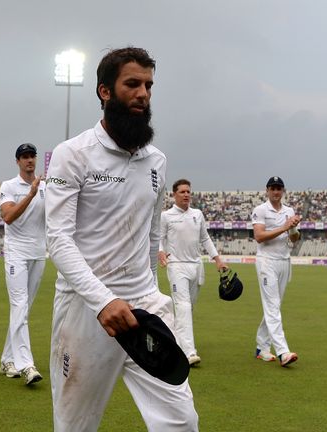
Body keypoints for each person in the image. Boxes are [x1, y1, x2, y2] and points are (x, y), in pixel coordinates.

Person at [45, 47, 198, 431]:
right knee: (75, 426)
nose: (143, 93)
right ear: (105, 92)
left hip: (144, 307)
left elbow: (149, 235)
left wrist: (151, 291)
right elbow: (58, 240)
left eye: (148, 85)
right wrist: (103, 300)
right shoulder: (72, 154)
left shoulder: (156, 161)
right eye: (132, 84)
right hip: (86, 310)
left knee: (181, 423)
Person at [158, 179, 228, 366]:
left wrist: (217, 259)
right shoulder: (166, 216)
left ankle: (174, 340)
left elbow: (205, 239)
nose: (186, 194)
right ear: (174, 194)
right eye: (182, 192)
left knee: (188, 308)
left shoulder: (197, 214)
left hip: (196, 266)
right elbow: (159, 238)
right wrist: (160, 251)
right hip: (177, 265)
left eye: (188, 191)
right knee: (183, 307)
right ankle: (189, 353)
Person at [0, 143, 46, 385]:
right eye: (24, 157)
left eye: (32, 156)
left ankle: (7, 358)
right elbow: (8, 217)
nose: (29, 160)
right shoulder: (9, 186)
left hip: (39, 254)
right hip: (16, 253)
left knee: (23, 310)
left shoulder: (45, 186)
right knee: (19, 305)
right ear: (17, 161)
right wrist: (30, 195)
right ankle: (26, 364)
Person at [251, 176, 301, 367]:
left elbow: (294, 239)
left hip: (284, 261)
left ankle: (261, 347)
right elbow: (259, 236)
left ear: (283, 190)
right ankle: (283, 352)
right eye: (272, 188)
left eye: (279, 188)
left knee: (274, 306)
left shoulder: (289, 211)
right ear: (267, 190)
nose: (276, 191)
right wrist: (284, 226)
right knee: (272, 306)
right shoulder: (261, 210)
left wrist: (293, 227)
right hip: (267, 262)